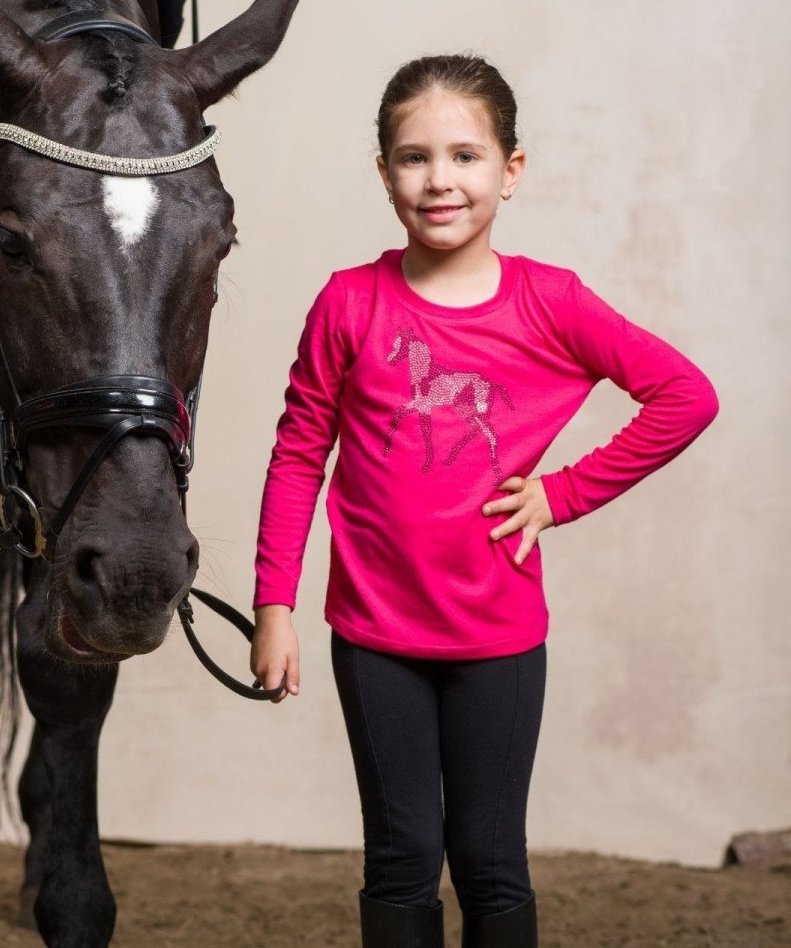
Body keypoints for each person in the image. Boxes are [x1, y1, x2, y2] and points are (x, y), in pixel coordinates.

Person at [249, 55, 718, 948]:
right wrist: (275, 606)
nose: (440, 180)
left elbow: (685, 397)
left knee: (490, 857)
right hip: (374, 636)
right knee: (402, 855)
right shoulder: (348, 303)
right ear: (385, 173)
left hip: (498, 637)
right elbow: (299, 455)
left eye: (465, 156)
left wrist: (563, 494)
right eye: (414, 157)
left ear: (511, 170)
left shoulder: (551, 302)